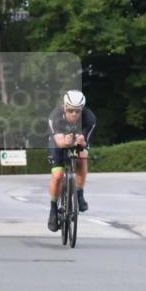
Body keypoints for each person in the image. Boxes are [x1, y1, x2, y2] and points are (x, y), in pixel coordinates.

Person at [47, 90, 96, 231]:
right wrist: (66, 141)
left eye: (77, 111)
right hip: (59, 141)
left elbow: (84, 142)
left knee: (82, 157)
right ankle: (53, 209)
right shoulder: (55, 116)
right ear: (64, 107)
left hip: (77, 140)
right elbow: (59, 142)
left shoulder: (89, 118)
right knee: (57, 175)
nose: (74, 114)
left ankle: (79, 193)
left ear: (82, 109)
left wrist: (80, 142)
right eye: (70, 110)